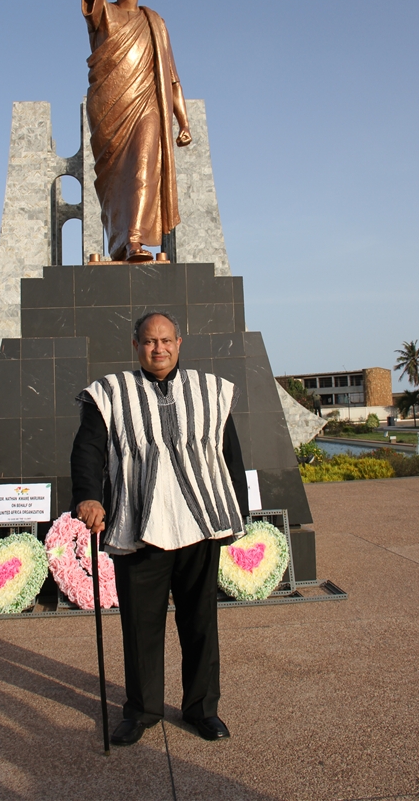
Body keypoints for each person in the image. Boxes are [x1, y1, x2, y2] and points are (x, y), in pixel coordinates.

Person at [71, 312, 249, 745]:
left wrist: (238, 514)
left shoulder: (210, 391)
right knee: (140, 625)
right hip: (139, 525)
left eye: (166, 340)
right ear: (136, 346)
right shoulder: (110, 394)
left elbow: (229, 454)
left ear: (179, 343)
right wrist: (89, 496)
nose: (159, 348)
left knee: (200, 622)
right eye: (150, 341)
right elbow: (87, 450)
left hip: (199, 523)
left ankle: (202, 709)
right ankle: (142, 710)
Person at [81, 0, 192, 263]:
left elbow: (171, 78)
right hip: (109, 109)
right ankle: (120, 241)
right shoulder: (103, 14)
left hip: (147, 106)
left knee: (145, 166)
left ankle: (134, 240)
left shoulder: (155, 22)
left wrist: (183, 122)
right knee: (117, 182)